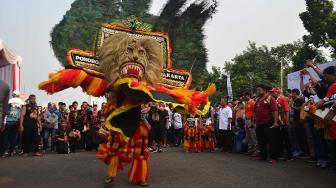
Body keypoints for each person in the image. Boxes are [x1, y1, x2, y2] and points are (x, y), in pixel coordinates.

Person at [254, 85, 279, 163]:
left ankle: (274, 157)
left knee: (272, 140)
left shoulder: (270, 98)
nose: (257, 92)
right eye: (257, 90)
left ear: (264, 90)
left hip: (269, 122)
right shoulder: (258, 100)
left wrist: (275, 122)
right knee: (261, 140)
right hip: (259, 123)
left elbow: (275, 110)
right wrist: (254, 122)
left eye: (259, 90)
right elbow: (255, 111)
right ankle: (263, 156)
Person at [270, 87, 292, 161]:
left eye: (273, 92)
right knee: (279, 138)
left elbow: (287, 110)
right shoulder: (273, 99)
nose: (271, 93)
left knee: (286, 139)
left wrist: (287, 121)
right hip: (277, 122)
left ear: (277, 92)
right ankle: (280, 154)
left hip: (283, 121)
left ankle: (289, 155)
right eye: (271, 92)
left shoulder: (282, 99)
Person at [2, 91, 24, 156]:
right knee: (14, 136)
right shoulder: (21, 102)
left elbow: (5, 111)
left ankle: (6, 150)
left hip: (8, 120)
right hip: (17, 121)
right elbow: (22, 113)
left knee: (6, 136)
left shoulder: (9, 101)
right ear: (18, 95)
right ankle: (12, 150)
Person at [291, 88, 310, 158]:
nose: (291, 95)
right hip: (296, 121)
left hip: (300, 121)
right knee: (298, 136)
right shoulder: (296, 100)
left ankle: (306, 152)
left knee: (302, 136)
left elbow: (302, 108)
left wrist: (293, 107)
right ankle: (302, 151)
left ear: (295, 93)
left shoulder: (300, 99)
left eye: (292, 93)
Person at [243, 92, 258, 156]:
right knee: (248, 136)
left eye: (245, 96)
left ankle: (256, 151)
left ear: (248, 96)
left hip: (251, 120)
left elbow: (255, 112)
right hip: (246, 120)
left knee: (253, 136)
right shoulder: (246, 103)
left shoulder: (252, 102)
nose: (244, 97)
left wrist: (253, 121)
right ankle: (250, 150)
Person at [0, 80, 10, 157]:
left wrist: (3, 122)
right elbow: (5, 108)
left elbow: (5, 108)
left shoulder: (5, 86)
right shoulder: (5, 85)